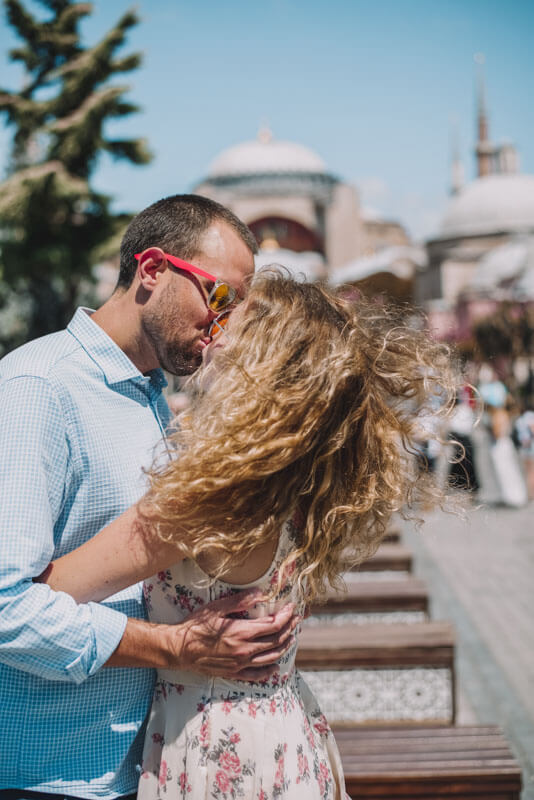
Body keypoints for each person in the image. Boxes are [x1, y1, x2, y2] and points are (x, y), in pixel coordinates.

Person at [39, 271, 458, 799]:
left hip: (216, 747)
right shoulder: (300, 477)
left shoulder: (207, 501)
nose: (213, 324)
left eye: (232, 313)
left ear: (260, 358)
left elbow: (45, 595)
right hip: (282, 731)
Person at [0, 196, 298, 800]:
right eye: (220, 298)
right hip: (49, 775)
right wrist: (176, 647)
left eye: (239, 309)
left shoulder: (149, 393)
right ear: (154, 270)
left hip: (143, 763)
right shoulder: (39, 388)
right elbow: (6, 608)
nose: (224, 325)